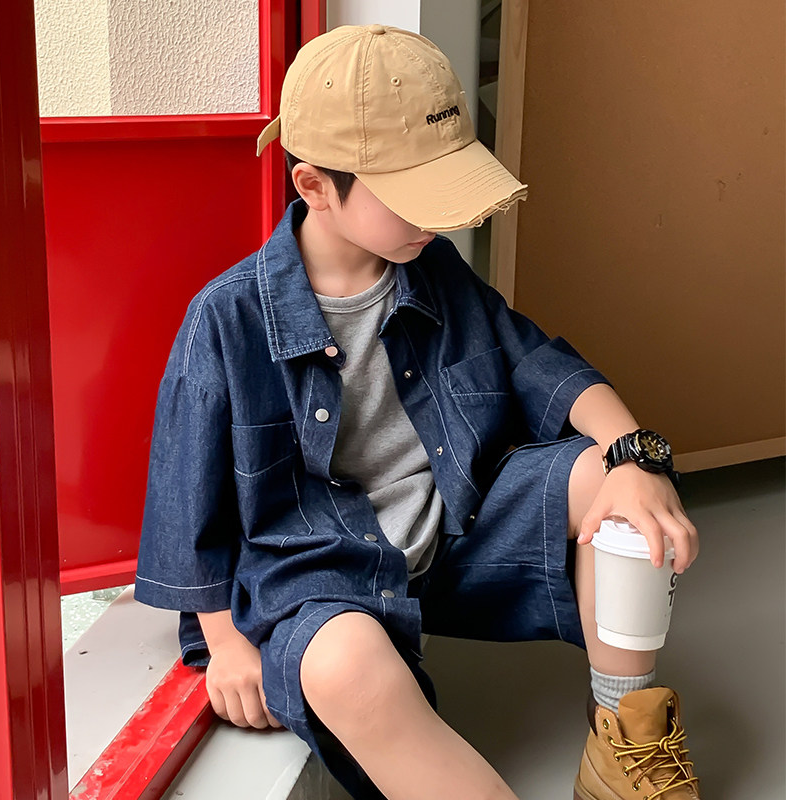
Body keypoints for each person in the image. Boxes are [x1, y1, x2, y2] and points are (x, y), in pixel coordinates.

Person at [134, 23, 701, 800]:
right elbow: (183, 504)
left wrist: (632, 454)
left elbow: (536, 363)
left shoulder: (431, 268)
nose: (437, 221)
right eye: (413, 198)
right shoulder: (227, 319)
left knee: (622, 492)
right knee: (347, 669)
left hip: (453, 532)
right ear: (314, 187)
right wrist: (226, 644)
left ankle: (622, 747)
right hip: (321, 575)